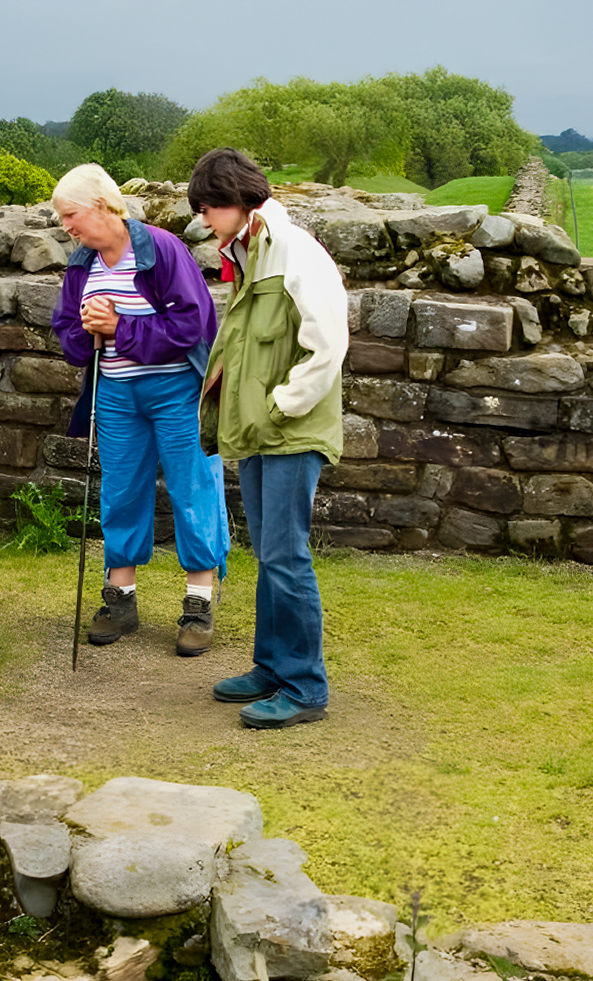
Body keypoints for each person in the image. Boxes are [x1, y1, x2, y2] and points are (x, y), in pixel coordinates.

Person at [188, 148, 348, 729]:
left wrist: (280, 407)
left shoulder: (296, 252)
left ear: (236, 199)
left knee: (286, 555)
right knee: (270, 553)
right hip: (260, 430)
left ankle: (305, 688)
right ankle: (272, 667)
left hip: (288, 430)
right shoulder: (252, 251)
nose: (204, 220)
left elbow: (328, 345)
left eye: (208, 207)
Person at [51, 163, 229, 656]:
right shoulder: (81, 264)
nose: (67, 226)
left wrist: (118, 328)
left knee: (192, 487)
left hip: (176, 391)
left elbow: (190, 327)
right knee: (121, 490)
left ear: (105, 206)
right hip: (116, 394)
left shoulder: (162, 249)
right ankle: (120, 599)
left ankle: (199, 603)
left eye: (72, 215)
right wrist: (85, 334)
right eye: (63, 218)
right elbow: (65, 328)